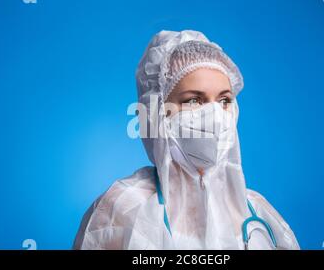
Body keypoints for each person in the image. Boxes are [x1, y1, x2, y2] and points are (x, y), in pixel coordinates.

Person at [73, 30, 300, 250]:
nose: (215, 116)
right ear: (157, 112)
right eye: (194, 101)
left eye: (224, 101)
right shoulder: (123, 208)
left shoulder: (257, 211)